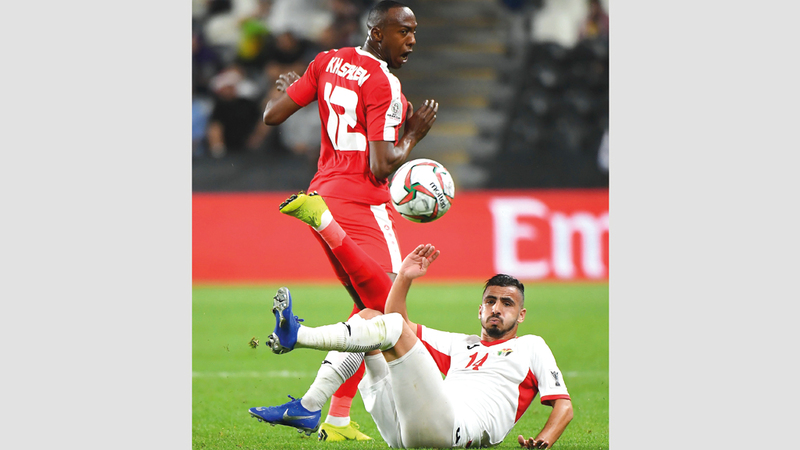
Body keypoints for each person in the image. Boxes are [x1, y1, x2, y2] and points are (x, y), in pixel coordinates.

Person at [258, 0, 439, 439]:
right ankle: (308, 387)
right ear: (377, 32)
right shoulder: (384, 83)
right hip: (362, 204)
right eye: (403, 31)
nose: (412, 40)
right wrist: (414, 134)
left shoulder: (327, 61)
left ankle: (333, 416)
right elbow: (381, 164)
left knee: (367, 311)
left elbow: (271, 115)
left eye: (414, 31)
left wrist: (290, 91)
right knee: (387, 311)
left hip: (323, 192)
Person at [248, 209, 574, 448]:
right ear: (480, 309)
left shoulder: (531, 346)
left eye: (507, 304)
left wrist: (543, 441)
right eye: (491, 301)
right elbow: (394, 322)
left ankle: (298, 337)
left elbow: (564, 406)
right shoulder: (462, 345)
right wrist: (403, 277)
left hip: (454, 430)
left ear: (521, 315)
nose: (497, 309)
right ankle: (309, 405)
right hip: (404, 430)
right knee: (369, 316)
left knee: (388, 326)